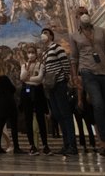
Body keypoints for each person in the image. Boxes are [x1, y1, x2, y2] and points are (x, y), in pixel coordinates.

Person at [68, 9, 105, 156]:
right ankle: (104, 142)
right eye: (80, 13)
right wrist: (75, 77)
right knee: (98, 104)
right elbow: (73, 57)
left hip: (104, 70)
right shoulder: (74, 36)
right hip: (87, 71)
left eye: (85, 12)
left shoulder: (100, 31)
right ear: (77, 18)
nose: (84, 14)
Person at [41, 28, 77, 156]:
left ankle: (72, 144)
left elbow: (65, 63)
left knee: (65, 113)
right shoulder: (44, 52)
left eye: (46, 33)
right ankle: (66, 143)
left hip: (60, 83)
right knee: (57, 114)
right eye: (42, 33)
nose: (43, 35)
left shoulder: (57, 47)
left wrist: (66, 77)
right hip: (50, 86)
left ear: (51, 35)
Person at [20, 44, 51, 155]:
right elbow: (22, 77)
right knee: (28, 119)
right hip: (27, 91)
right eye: (29, 52)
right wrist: (27, 70)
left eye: (32, 52)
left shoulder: (41, 65)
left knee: (40, 118)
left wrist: (29, 78)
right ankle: (32, 145)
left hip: (38, 91)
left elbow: (39, 79)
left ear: (36, 54)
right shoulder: (24, 65)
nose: (31, 54)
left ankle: (45, 145)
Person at [0, 71, 23, 154]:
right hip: (9, 103)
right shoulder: (5, 78)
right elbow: (13, 89)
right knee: (14, 126)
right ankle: (16, 147)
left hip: (1, 105)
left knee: (0, 126)